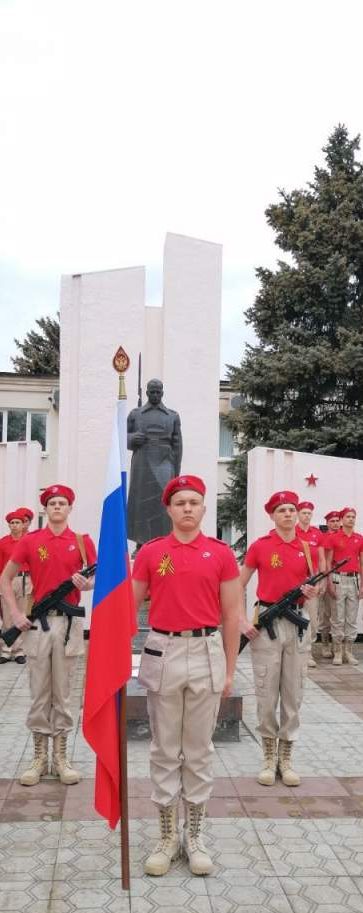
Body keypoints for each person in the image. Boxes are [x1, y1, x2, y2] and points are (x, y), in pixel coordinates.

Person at [132, 474, 255, 877]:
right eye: (180, 502)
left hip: (205, 650)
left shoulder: (220, 554)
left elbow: (232, 616)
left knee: (199, 750)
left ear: (204, 509)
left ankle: (195, 835)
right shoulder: (151, 553)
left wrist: (229, 669)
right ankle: (167, 836)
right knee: (165, 749)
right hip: (163, 650)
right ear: (168, 509)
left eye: (194, 502)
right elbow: (128, 609)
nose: (188, 508)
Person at [0, 484, 96, 786]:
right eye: (52, 503)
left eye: (62, 503)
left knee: (63, 693)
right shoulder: (31, 541)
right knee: (40, 692)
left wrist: (85, 586)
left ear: (70, 508)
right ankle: (39, 757)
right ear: (45, 509)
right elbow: (6, 578)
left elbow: (101, 579)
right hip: (38, 625)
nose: (57, 507)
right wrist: (15, 614)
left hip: (69, 626)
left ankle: (61, 757)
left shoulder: (82, 542)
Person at [240, 490, 318, 788]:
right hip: (267, 624)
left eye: (291, 509)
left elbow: (315, 588)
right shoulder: (261, 547)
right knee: (266, 691)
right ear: (272, 515)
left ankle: (286, 760)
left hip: (297, 625)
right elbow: (239, 584)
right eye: (282, 510)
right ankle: (268, 757)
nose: (288, 514)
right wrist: (242, 620)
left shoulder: (307, 548)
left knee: (293, 691)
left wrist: (313, 592)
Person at [127, 379, 183, 545]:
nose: (155, 395)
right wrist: (131, 439)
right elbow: (120, 437)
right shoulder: (135, 414)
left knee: (163, 502)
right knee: (141, 503)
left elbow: (178, 445)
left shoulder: (172, 416)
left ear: (162, 393)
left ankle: (163, 542)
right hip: (142, 460)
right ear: (147, 393)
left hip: (164, 462)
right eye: (152, 392)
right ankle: (141, 543)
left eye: (158, 392)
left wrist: (176, 473)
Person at [325, 507, 363, 665]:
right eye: (348, 516)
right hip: (338, 579)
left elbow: (362, 562)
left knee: (352, 617)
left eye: (353, 517)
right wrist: (329, 583)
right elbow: (328, 562)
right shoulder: (333, 538)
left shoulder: (359, 538)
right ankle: (338, 651)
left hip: (354, 580)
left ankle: (349, 651)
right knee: (338, 617)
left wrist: (362, 584)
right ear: (341, 519)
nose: (351, 519)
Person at [295, 501, 326, 668]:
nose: (306, 516)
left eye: (309, 513)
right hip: (295, 583)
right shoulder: (292, 532)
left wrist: (322, 580)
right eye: (304, 513)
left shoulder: (317, 534)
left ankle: (308, 652)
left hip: (312, 582)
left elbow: (321, 559)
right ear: (298, 514)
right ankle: (296, 651)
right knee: (294, 618)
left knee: (312, 619)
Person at [0, 509, 31, 665]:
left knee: (22, 615)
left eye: (17, 522)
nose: (14, 525)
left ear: (23, 524)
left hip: (25, 580)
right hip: (8, 581)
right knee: (7, 617)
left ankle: (19, 651)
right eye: (11, 523)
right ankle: (6, 650)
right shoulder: (3, 542)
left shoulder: (29, 541)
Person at [319, 510, 341, 658]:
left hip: (340, 578)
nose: (335, 524)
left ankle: (337, 646)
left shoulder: (344, 536)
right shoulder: (323, 538)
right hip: (326, 576)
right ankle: (325, 644)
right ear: (327, 523)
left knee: (338, 615)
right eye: (331, 521)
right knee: (325, 613)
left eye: (337, 521)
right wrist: (326, 579)